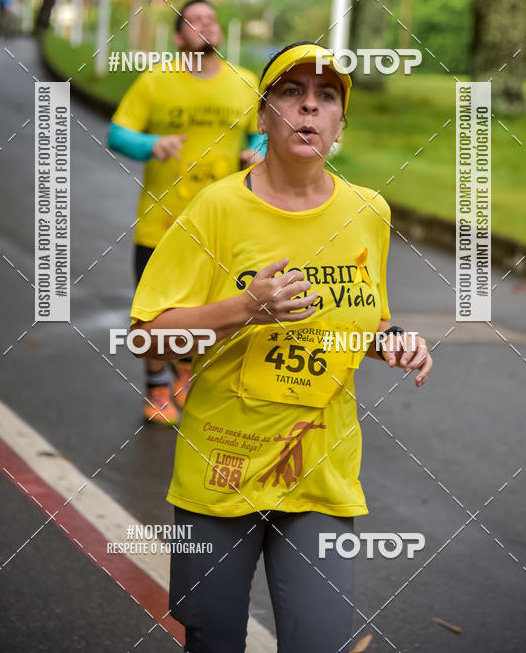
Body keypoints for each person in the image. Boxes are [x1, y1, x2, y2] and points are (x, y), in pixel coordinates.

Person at [130, 42, 432, 652]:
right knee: (214, 640)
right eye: (291, 93)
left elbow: (363, 320)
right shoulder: (216, 208)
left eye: (326, 97)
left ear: (340, 124)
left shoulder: (368, 211)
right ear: (263, 116)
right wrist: (245, 308)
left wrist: (393, 343)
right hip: (223, 469)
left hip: (321, 471)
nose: (309, 108)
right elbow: (147, 335)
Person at [108, 0, 264, 426]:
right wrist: (151, 144)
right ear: (179, 37)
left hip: (223, 222)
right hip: (162, 219)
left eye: (211, 19)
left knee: (212, 304)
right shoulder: (156, 81)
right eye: (195, 20)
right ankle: (156, 384)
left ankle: (186, 370)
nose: (206, 25)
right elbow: (117, 133)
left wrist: (259, 151)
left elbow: (265, 132)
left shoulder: (245, 82)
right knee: (156, 312)